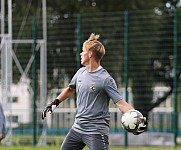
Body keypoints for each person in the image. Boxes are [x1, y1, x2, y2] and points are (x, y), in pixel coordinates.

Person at [42, 33, 147, 150]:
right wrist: (54, 103)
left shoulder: (106, 79)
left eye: (83, 51)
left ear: (90, 54)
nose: (81, 54)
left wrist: (135, 116)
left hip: (96, 132)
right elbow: (70, 89)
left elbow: (121, 103)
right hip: (77, 129)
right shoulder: (80, 73)